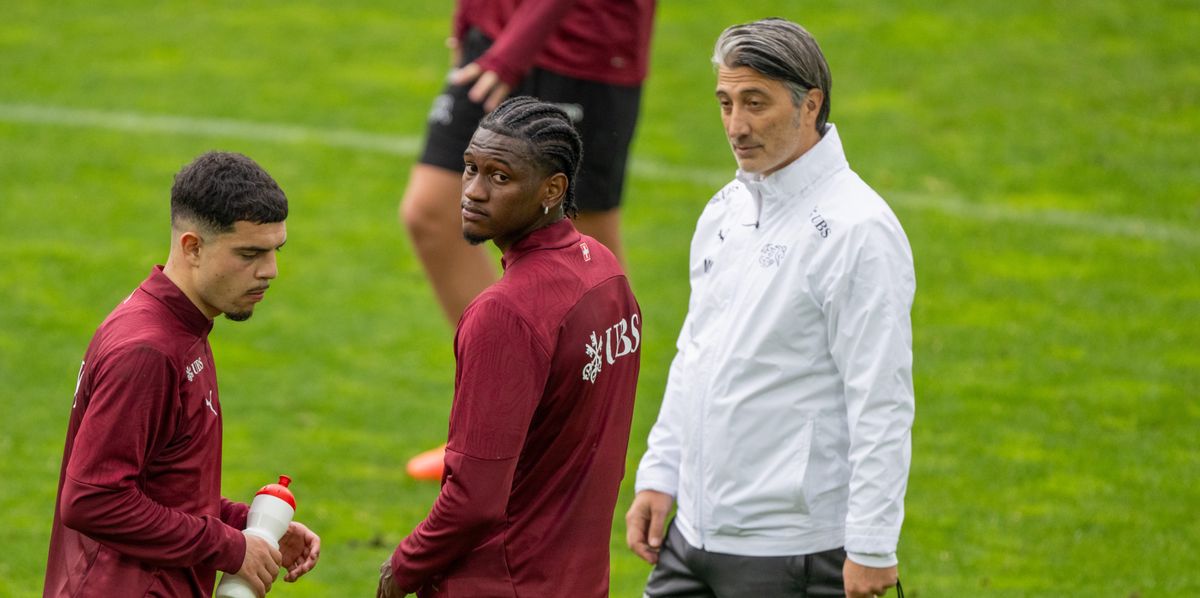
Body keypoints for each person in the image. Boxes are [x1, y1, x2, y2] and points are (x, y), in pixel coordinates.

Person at [625, 18, 915, 598]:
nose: (736, 125)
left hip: (795, 555)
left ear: (811, 104)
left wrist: (873, 544)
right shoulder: (726, 209)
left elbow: (881, 398)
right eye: (726, 103)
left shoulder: (860, 230)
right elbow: (694, 352)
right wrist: (660, 470)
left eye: (755, 103)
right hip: (690, 542)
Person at [377, 97, 642, 598]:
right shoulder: (605, 270)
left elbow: (473, 500)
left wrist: (401, 568)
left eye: (500, 177)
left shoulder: (506, 314)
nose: (473, 192)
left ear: (552, 190)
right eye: (471, 169)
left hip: (505, 581)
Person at [44, 152, 321, 598]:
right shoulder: (148, 351)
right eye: (250, 253)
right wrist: (231, 547)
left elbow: (162, 487)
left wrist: (251, 528)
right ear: (192, 247)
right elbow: (92, 500)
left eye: (275, 251)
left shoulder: (182, 326)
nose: (270, 271)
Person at [400, 0, 655, 324]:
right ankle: (502, 362)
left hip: (581, 47)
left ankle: (599, 373)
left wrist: (511, 53)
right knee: (433, 210)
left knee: (584, 255)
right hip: (496, 33)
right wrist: (469, 15)